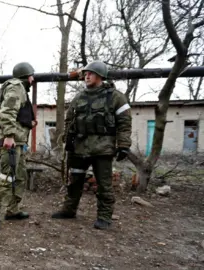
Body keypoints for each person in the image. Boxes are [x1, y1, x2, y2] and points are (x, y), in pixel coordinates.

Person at [51, 60, 132, 230]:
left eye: (91, 73)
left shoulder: (115, 97)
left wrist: (123, 145)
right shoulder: (79, 97)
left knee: (104, 184)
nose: (86, 76)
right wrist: (68, 140)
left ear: (100, 76)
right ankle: (69, 210)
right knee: (74, 181)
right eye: (85, 74)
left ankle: (104, 216)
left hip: (102, 148)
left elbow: (124, 123)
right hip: (79, 148)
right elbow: (69, 120)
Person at [0, 62, 38, 231]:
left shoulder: (22, 90)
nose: (33, 79)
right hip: (11, 141)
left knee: (20, 177)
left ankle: (13, 210)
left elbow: (18, 116)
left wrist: (29, 123)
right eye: (32, 75)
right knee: (7, 177)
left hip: (19, 142)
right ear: (27, 76)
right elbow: (7, 112)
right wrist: (8, 135)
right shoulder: (16, 87)